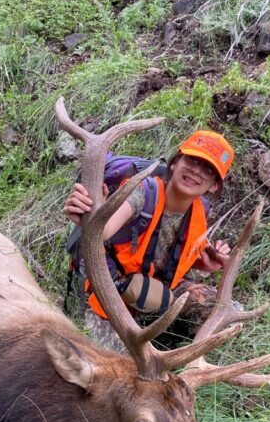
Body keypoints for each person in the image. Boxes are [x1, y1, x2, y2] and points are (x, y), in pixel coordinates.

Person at [63, 129, 236, 352]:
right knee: (123, 365)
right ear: (175, 162)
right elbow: (105, 230)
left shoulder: (200, 210)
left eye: (208, 170)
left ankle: (177, 345)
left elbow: (177, 253)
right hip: (109, 294)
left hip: (155, 290)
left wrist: (204, 263)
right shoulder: (142, 193)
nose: (196, 171)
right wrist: (92, 218)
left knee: (223, 311)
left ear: (214, 185)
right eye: (192, 160)